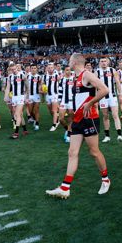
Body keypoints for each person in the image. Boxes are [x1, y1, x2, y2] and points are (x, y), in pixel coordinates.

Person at [46, 53, 110, 198]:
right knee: (72, 152)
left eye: (69, 60)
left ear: (74, 62)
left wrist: (91, 103)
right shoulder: (75, 78)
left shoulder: (87, 75)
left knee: (94, 151)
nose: (67, 62)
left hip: (90, 118)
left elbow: (105, 89)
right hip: (77, 120)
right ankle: (65, 187)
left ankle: (106, 180)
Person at [96, 58, 122, 142]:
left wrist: (120, 94)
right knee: (105, 116)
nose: (103, 63)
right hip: (102, 97)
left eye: (105, 61)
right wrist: (95, 98)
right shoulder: (96, 72)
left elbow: (118, 82)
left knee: (115, 115)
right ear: (99, 63)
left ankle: (119, 135)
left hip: (112, 96)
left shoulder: (112, 70)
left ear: (107, 62)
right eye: (102, 61)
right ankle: (107, 136)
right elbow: (94, 85)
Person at [5, 64, 29, 139]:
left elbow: (27, 86)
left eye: (14, 69)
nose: (13, 70)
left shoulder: (22, 75)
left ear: (17, 68)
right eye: (12, 69)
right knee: (19, 115)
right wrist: (6, 96)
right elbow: (8, 88)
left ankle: (16, 133)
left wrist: (27, 96)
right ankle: (25, 130)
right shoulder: (10, 77)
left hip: (21, 97)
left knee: (17, 114)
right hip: (14, 97)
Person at [58, 66, 74, 143]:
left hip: (71, 101)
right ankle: (68, 129)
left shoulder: (74, 79)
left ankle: (68, 134)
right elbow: (60, 91)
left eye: (69, 70)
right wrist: (59, 101)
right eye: (67, 70)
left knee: (71, 118)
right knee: (61, 119)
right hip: (63, 101)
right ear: (64, 71)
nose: (68, 71)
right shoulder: (62, 80)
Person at [42, 62, 60, 131]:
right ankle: (57, 119)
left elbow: (61, 84)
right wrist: (42, 92)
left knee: (54, 110)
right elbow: (42, 86)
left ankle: (54, 125)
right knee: (50, 111)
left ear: (54, 68)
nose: (50, 69)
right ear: (47, 68)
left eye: (51, 68)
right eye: (49, 68)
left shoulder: (56, 76)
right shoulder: (44, 76)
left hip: (54, 95)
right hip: (47, 96)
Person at [27, 64, 42, 131]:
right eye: (32, 68)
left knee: (36, 110)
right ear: (30, 69)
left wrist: (41, 90)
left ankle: (37, 124)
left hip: (37, 95)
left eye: (34, 68)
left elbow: (41, 85)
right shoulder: (27, 76)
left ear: (36, 69)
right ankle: (34, 119)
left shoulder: (39, 77)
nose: (33, 69)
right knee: (30, 111)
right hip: (29, 96)